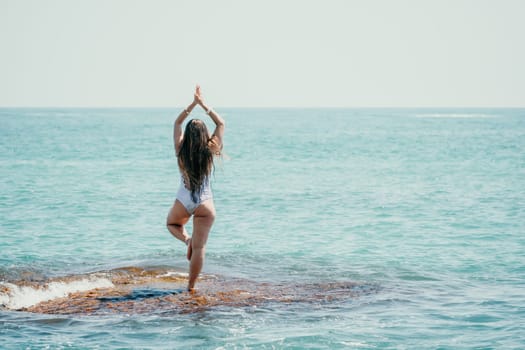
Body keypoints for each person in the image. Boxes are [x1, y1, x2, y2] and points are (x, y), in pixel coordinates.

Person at [166, 85, 225, 292]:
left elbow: (177, 122)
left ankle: (186, 239)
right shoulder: (211, 149)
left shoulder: (180, 149)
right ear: (204, 136)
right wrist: (204, 105)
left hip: (184, 199)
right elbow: (221, 123)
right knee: (200, 248)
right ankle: (190, 288)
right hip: (205, 202)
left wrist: (192, 104)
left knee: (172, 224)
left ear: (188, 136)